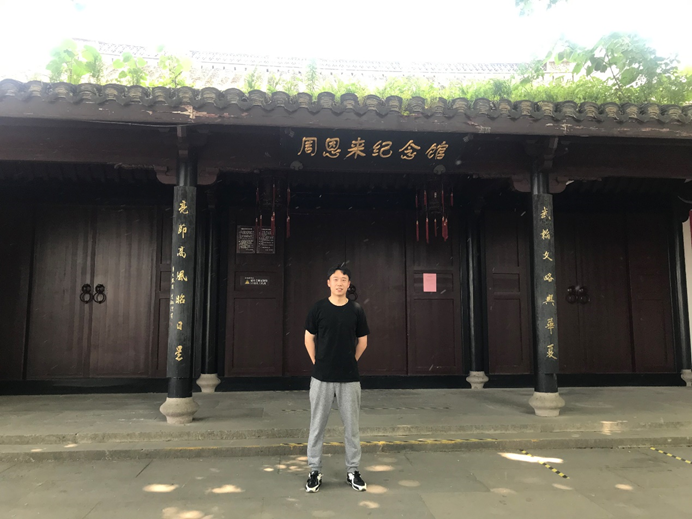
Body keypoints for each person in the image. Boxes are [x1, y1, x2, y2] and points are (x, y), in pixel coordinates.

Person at [304, 265, 370, 493]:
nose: (339, 283)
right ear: (328, 283)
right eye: (335, 279)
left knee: (351, 428)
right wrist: (317, 362)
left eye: (343, 279)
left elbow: (363, 341)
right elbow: (308, 337)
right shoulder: (318, 308)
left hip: (349, 378)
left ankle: (353, 471)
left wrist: (351, 360)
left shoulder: (356, 310)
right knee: (317, 426)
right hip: (321, 377)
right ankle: (314, 471)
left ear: (348, 284)